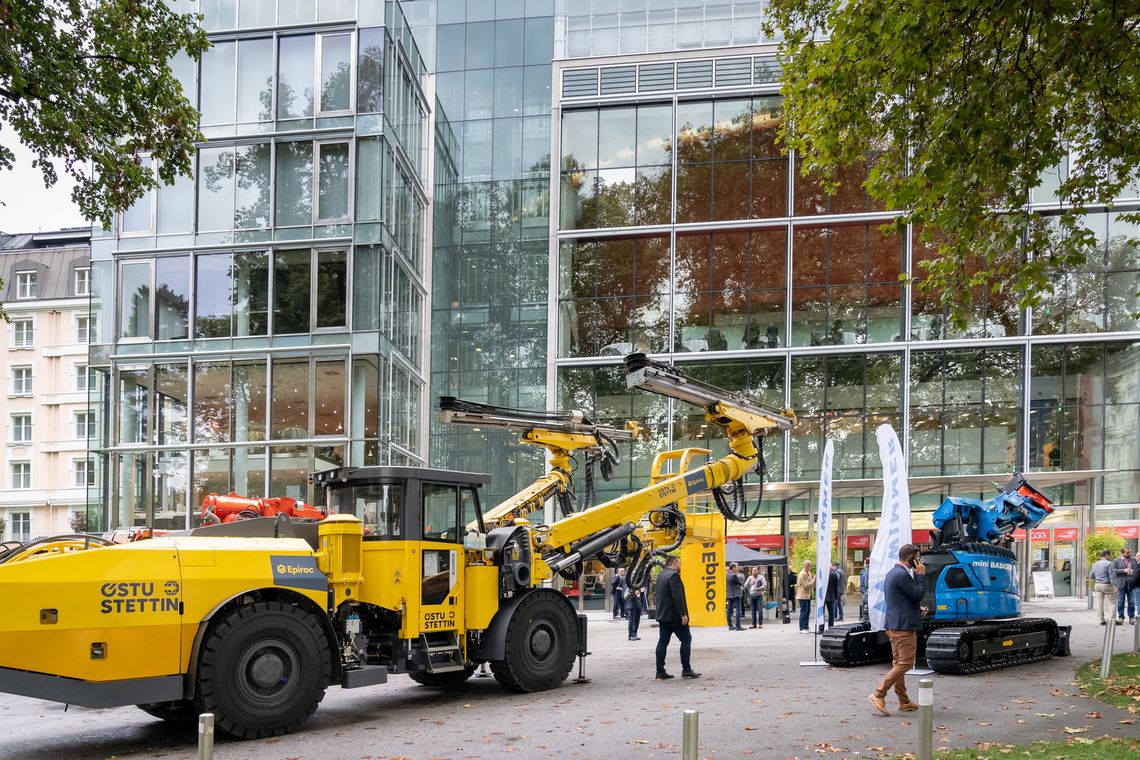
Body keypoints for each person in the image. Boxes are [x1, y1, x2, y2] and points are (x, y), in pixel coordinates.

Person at [868, 544, 927, 716]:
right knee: (906, 663)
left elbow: (901, 600)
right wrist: (920, 575)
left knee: (898, 663)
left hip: (894, 625)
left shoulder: (893, 573)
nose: (920, 561)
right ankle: (879, 693)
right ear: (911, 558)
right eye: (918, 557)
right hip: (903, 628)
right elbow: (918, 594)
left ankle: (904, 701)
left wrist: (917, 608)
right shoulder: (902, 575)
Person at [653, 556, 700, 680]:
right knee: (686, 639)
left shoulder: (661, 575)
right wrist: (683, 614)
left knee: (662, 642)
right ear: (674, 563)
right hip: (674, 616)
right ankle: (686, 669)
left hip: (663, 616)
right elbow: (677, 597)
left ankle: (660, 671)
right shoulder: (673, 576)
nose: (680, 565)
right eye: (679, 562)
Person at [1089, 550, 1115, 625]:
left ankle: (1101, 619)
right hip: (1107, 585)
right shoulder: (1109, 564)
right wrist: (1115, 586)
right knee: (1112, 602)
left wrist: (1098, 577)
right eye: (1110, 555)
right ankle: (1112, 619)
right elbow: (1111, 576)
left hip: (1098, 585)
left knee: (1099, 603)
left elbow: (1091, 576)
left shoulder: (1095, 564)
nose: (1110, 557)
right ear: (1106, 555)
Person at [1111, 547, 1136, 625]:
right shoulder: (1116, 561)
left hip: (1131, 583)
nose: (1129, 554)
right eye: (1127, 552)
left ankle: (1131, 617)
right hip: (1121, 584)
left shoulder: (1133, 560)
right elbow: (1113, 571)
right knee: (1121, 601)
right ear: (1122, 553)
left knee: (1132, 601)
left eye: (1130, 552)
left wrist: (1133, 571)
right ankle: (1121, 617)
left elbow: (1137, 569)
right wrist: (1124, 570)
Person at [796, 560, 815, 633]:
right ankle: (802, 628)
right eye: (810, 566)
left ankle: (806, 626)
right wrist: (813, 580)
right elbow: (806, 585)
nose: (811, 567)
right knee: (804, 611)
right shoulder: (803, 574)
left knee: (807, 611)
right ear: (807, 566)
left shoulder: (808, 573)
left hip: (807, 595)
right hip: (803, 596)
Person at [726, 562, 745, 630]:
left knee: (729, 610)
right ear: (733, 567)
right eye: (736, 567)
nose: (736, 568)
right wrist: (739, 584)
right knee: (738, 610)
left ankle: (730, 625)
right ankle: (738, 626)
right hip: (736, 594)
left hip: (729, 594)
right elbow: (740, 583)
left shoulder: (727, 574)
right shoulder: (734, 575)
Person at [823, 565, 841, 630]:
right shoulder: (834, 574)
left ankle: (821, 628)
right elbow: (836, 586)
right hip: (831, 596)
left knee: (821, 614)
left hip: (822, 597)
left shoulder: (821, 574)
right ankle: (831, 627)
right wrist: (836, 596)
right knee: (831, 613)